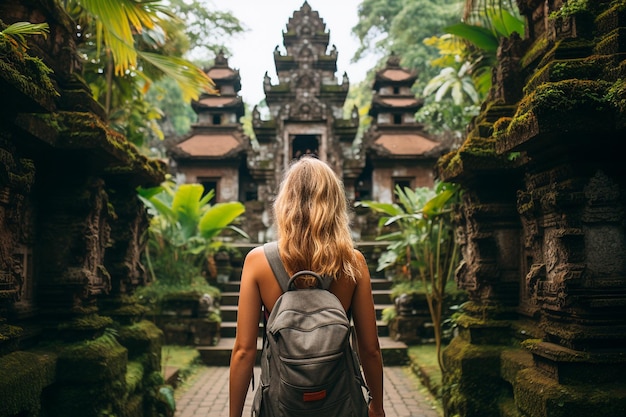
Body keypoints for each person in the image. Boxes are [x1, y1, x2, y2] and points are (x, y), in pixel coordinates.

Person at [229, 156, 385, 417]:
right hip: (340, 401)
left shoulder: (257, 262)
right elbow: (369, 348)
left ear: (285, 203)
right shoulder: (352, 263)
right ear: (334, 204)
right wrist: (377, 406)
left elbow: (244, 351)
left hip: (280, 402)